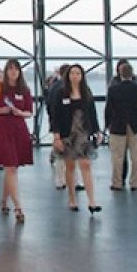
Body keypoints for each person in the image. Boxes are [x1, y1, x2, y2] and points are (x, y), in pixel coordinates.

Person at [0, 59, 34, 222]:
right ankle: (18, 207)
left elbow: (29, 112)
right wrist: (2, 110)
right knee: (10, 166)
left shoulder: (24, 90)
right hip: (2, 130)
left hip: (18, 130)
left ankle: (4, 201)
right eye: (10, 69)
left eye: (16, 69)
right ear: (6, 71)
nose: (13, 72)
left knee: (11, 168)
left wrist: (20, 112)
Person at [48, 64, 101, 214]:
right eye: (72, 73)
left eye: (78, 73)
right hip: (67, 134)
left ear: (82, 76)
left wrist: (97, 130)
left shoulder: (86, 93)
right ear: (68, 75)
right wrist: (56, 135)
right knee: (70, 166)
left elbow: (92, 113)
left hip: (83, 133)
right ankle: (72, 198)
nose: (75, 76)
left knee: (86, 164)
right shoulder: (61, 93)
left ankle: (92, 201)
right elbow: (55, 115)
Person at [104, 60, 137, 192]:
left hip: (118, 125)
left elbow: (108, 109)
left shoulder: (113, 89)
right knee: (136, 156)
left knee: (117, 157)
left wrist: (107, 124)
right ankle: (135, 182)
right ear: (132, 74)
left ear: (120, 73)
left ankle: (117, 183)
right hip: (135, 125)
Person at [41, 70, 67, 189]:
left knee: (60, 148)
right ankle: (72, 180)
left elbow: (48, 103)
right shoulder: (63, 88)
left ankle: (60, 180)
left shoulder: (53, 87)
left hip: (56, 121)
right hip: (64, 123)